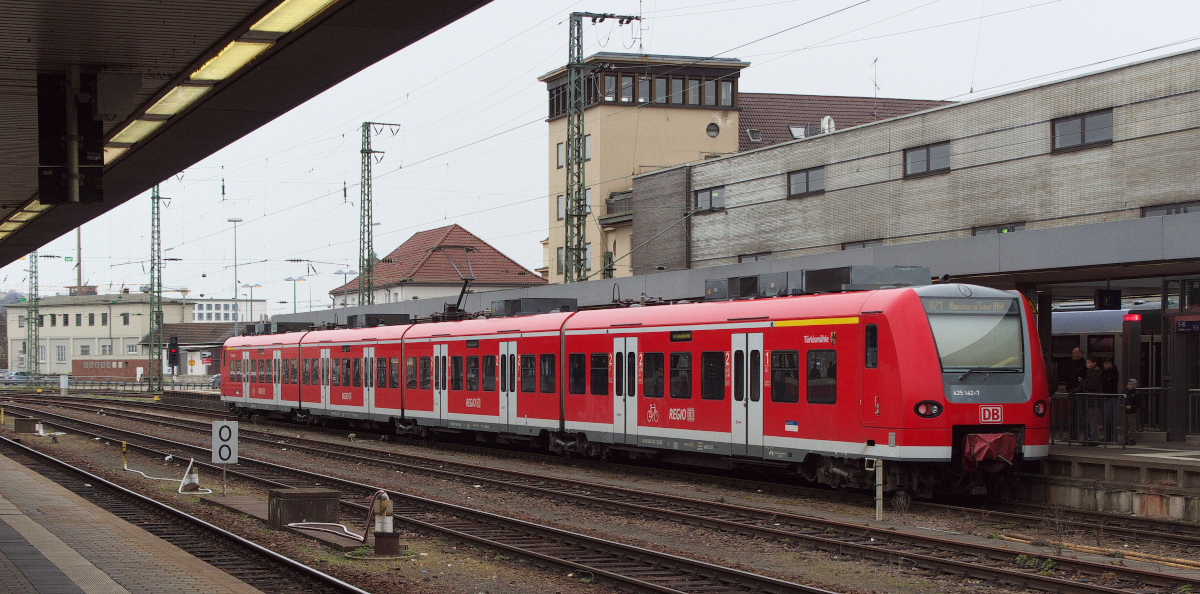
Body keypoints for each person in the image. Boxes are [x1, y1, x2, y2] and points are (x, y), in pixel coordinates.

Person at [1123, 378, 1141, 446]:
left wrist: (1132, 406)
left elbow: (1138, 403)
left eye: (1131, 384)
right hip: (1125, 411)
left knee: (1131, 426)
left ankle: (1132, 439)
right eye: (1128, 384)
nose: (1129, 386)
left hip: (1132, 411)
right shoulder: (1125, 392)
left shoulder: (1135, 393)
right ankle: (1126, 439)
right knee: (1125, 426)